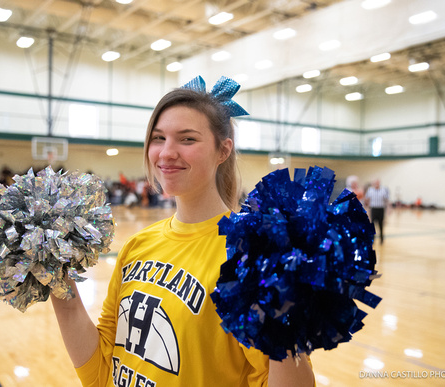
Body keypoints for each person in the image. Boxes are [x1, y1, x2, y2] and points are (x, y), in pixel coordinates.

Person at [51, 76, 315, 387]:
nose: (166, 153)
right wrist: (56, 279)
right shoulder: (138, 245)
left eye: (187, 139)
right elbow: (101, 371)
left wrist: (285, 317)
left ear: (223, 150)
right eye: (158, 138)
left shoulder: (251, 257)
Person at [365, 179, 389, 244]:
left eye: (378, 183)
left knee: (381, 225)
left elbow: (386, 200)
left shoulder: (383, 190)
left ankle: (381, 239)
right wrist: (367, 209)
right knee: (373, 225)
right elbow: (367, 199)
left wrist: (388, 209)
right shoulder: (370, 190)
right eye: (375, 183)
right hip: (373, 209)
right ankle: (373, 239)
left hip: (381, 209)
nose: (377, 184)